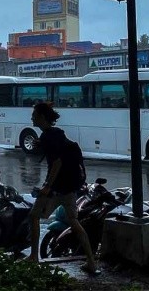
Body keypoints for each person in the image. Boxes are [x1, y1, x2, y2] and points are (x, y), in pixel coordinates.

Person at [28, 102, 99, 275]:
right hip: (70, 187)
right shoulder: (58, 134)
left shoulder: (48, 137)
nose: (32, 118)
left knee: (34, 216)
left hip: (56, 189)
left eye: (34, 115)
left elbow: (57, 163)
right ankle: (91, 262)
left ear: (42, 117)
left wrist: (47, 186)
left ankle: (33, 257)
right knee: (74, 222)